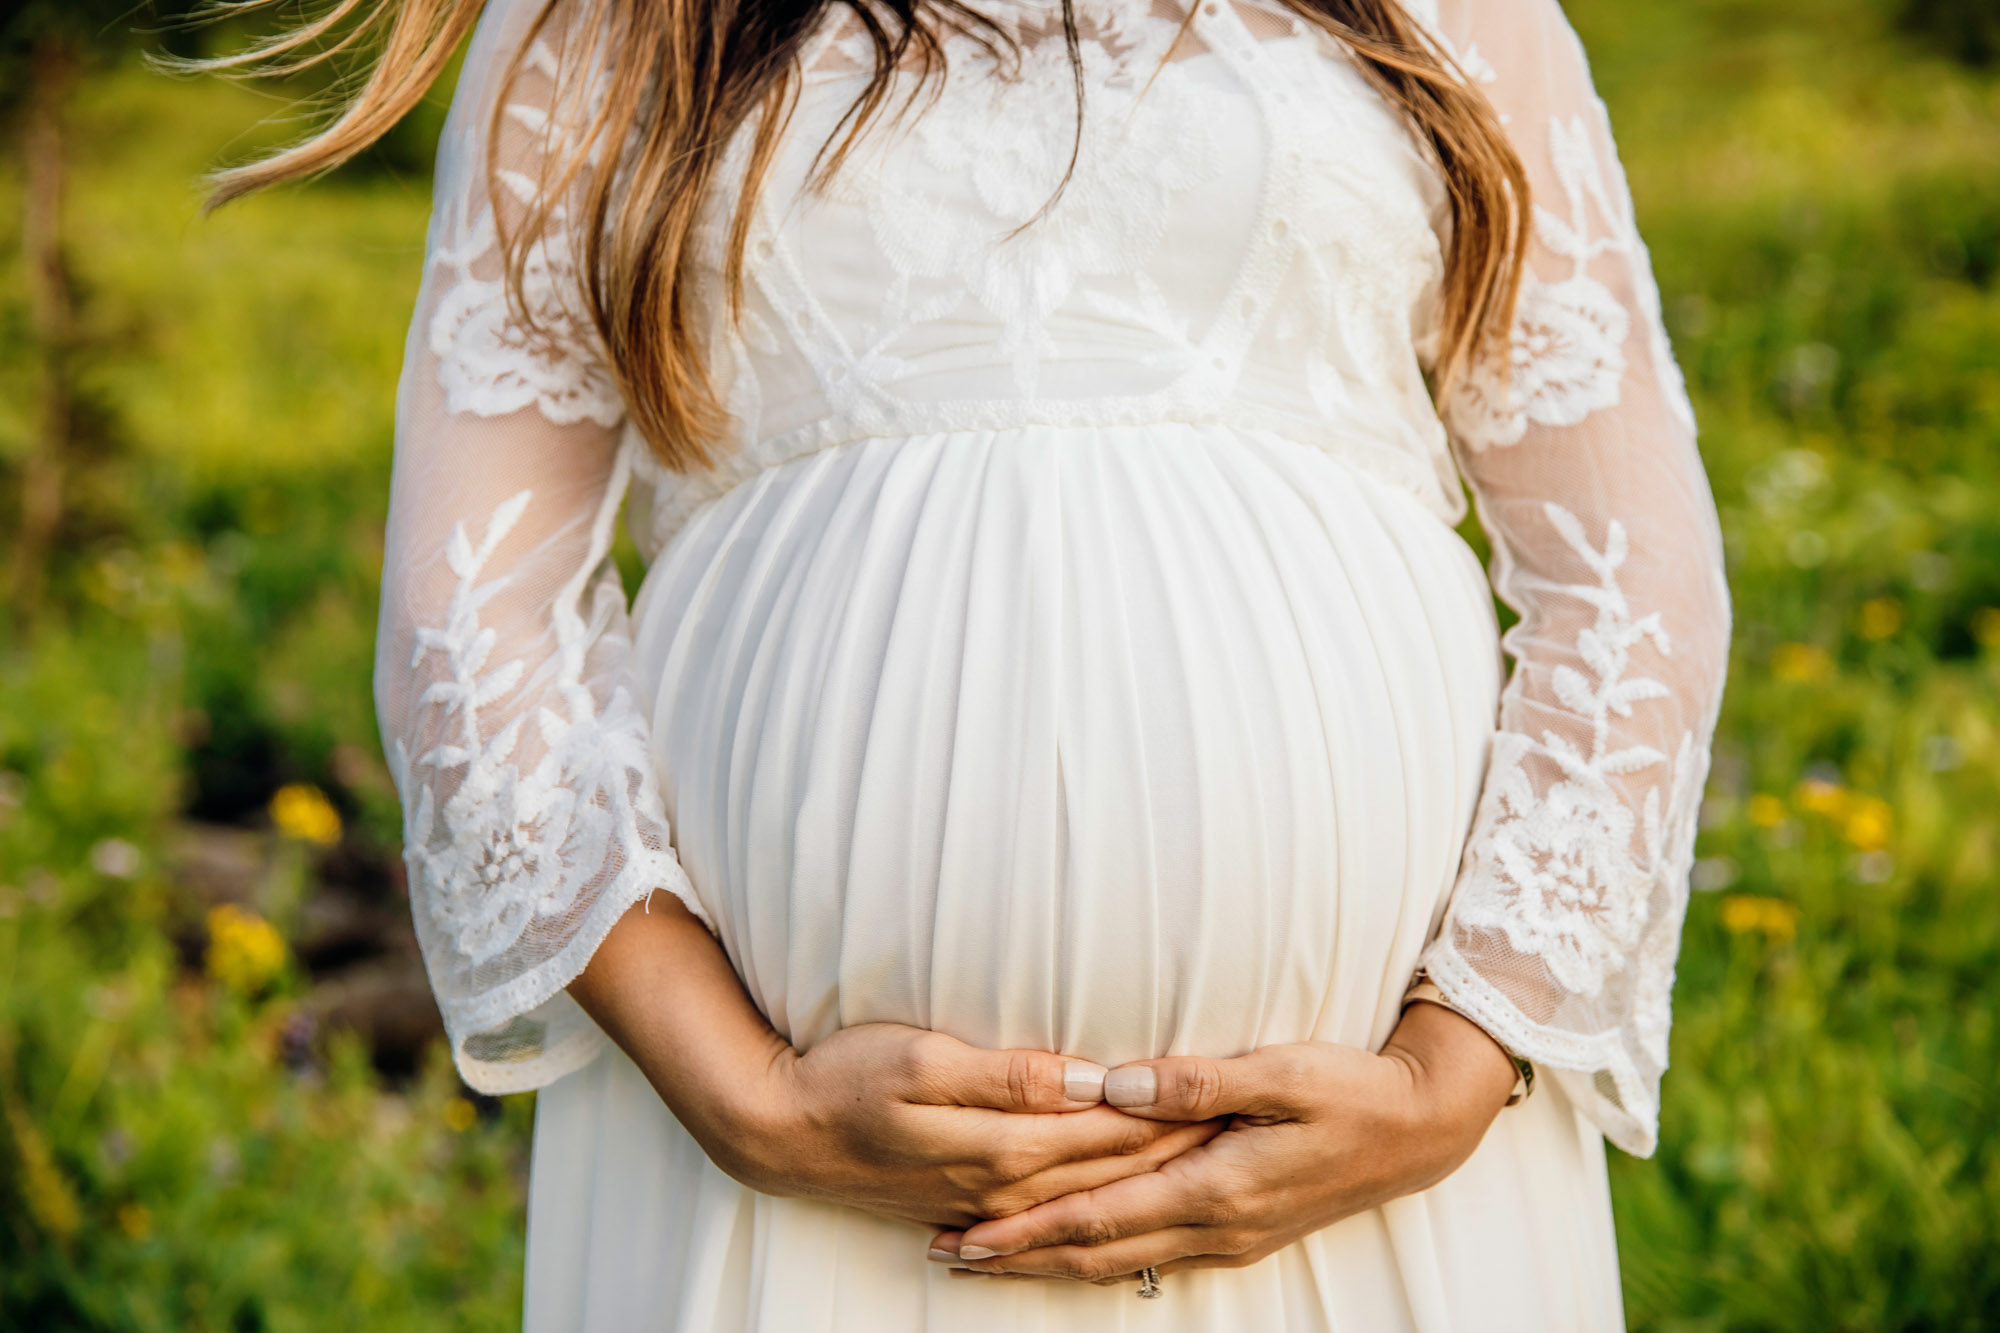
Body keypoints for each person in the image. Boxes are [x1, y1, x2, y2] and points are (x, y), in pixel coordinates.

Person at [210, 0, 1731, 1326]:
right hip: (790, 1191)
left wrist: (1452, 1069)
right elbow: (471, 613)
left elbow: (1631, 570)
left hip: (1373, 1180)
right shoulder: (610, 21)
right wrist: (743, 1093)